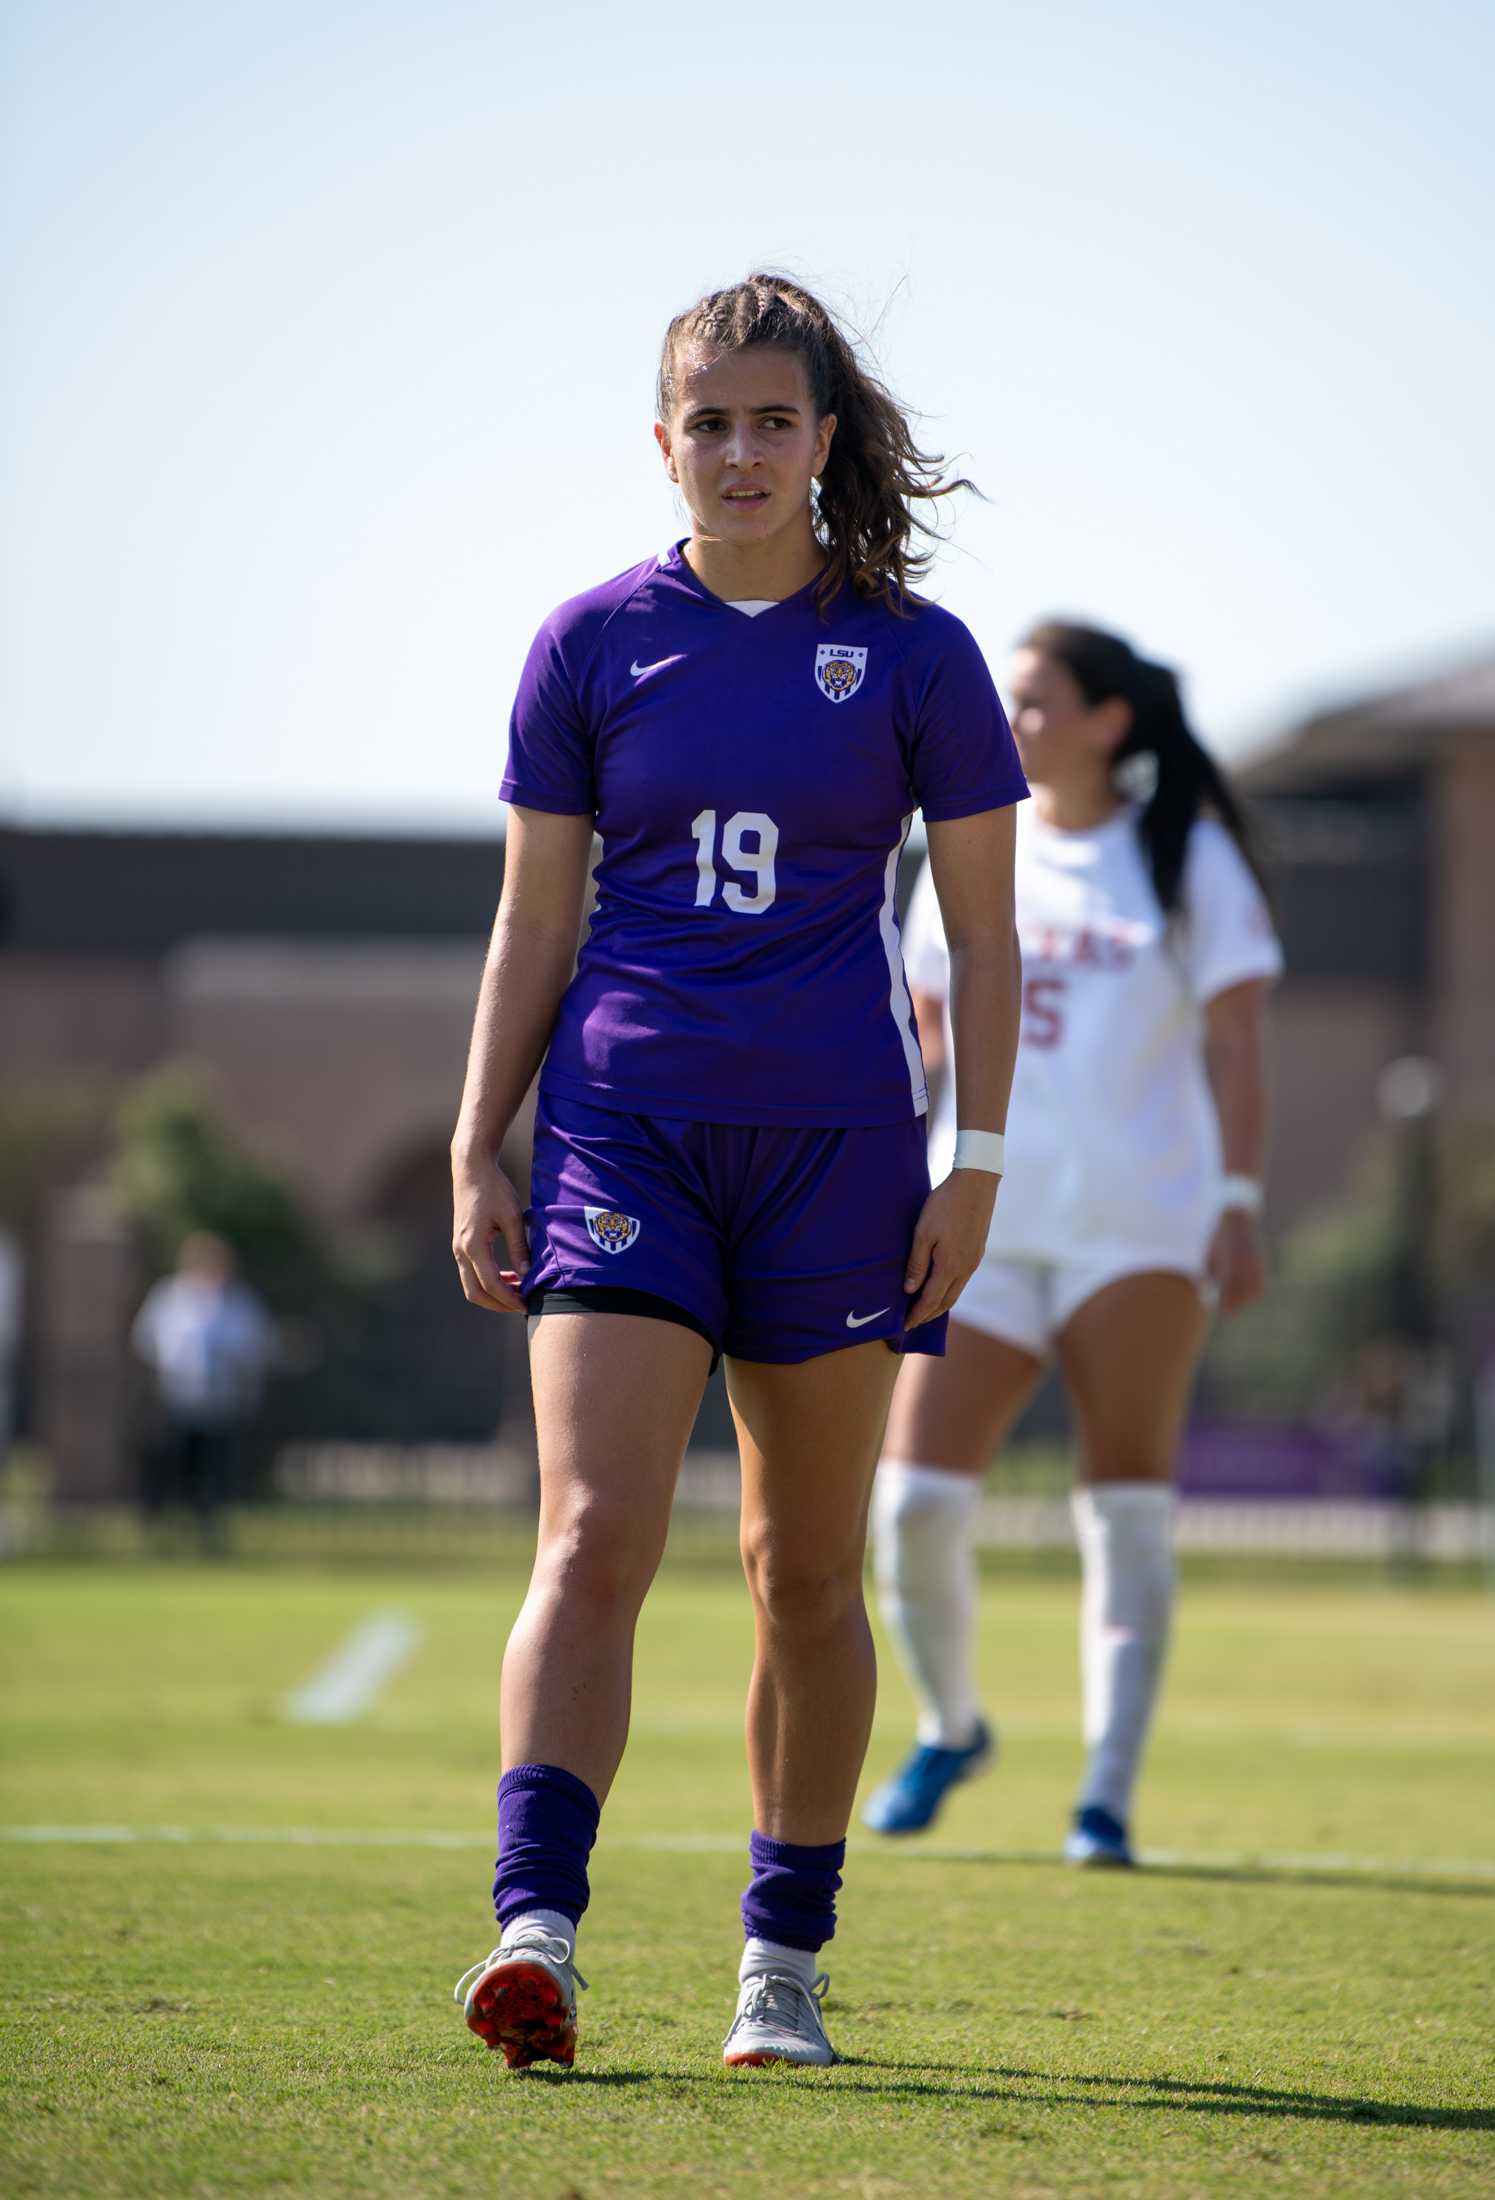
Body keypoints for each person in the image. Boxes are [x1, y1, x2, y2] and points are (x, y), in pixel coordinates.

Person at [448, 274, 1027, 2073]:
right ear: (664, 443)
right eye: (713, 421)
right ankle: (533, 1928)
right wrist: (484, 1137)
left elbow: (988, 948)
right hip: (626, 1134)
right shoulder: (591, 643)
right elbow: (536, 919)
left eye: (778, 420)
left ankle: (782, 1965)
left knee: (802, 1569)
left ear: (826, 440)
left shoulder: (918, 657)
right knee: (592, 1530)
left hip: (844, 1153)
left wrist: (975, 1163)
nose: (745, 451)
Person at [864, 620, 1281, 1864]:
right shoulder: (963, 842)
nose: (1014, 719)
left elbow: (1240, 1043)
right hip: (980, 1217)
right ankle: (951, 1723)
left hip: (1140, 1227)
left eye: (1037, 700)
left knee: (1127, 1508)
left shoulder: (1187, 856)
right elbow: (925, 1038)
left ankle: (1104, 1794)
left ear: (1109, 721)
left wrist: (1241, 1201)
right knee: (914, 1505)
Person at [131, 1231, 275, 1548]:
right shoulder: (169, 1297)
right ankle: (160, 1532)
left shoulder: (239, 1304)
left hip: (219, 1402)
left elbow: (255, 1349)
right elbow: (147, 1341)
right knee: (171, 1467)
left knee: (212, 1472)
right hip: (176, 1398)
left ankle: (208, 1531)